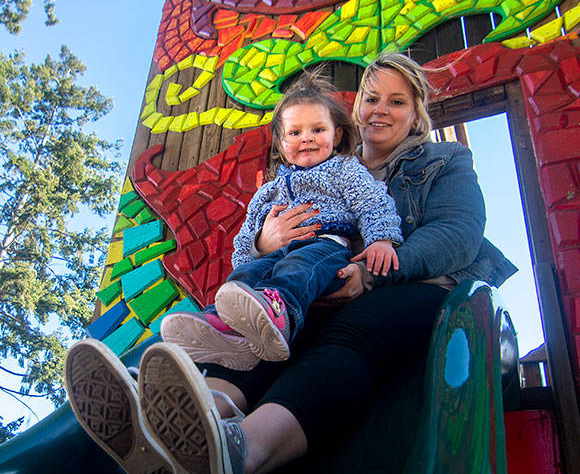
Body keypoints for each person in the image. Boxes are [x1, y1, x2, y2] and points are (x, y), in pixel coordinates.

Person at [64, 52, 517, 474]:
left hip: (411, 289)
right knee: (262, 327)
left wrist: (372, 273)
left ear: (416, 113)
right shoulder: (323, 164)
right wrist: (266, 243)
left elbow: (458, 234)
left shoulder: (443, 161)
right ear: (356, 108)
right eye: (371, 98)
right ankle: (192, 419)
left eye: (397, 101)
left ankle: (242, 454)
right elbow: (256, 243)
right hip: (317, 286)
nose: (381, 110)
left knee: (348, 334)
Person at [159, 76, 403, 369]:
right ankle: (221, 327)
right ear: (281, 142)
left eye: (318, 130)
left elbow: (372, 200)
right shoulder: (269, 190)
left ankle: (280, 312)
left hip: (326, 247)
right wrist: (258, 248)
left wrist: (382, 239)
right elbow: (245, 240)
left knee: (296, 268)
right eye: (295, 132)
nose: (307, 138)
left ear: (336, 136)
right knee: (243, 279)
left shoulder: (344, 169)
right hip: (274, 254)